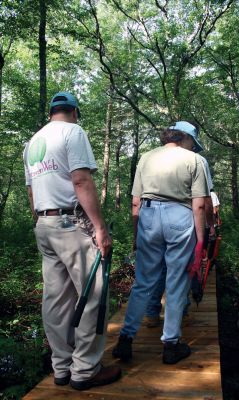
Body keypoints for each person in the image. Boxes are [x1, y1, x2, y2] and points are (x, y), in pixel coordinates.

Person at [23, 92, 121, 391]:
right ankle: (85, 370)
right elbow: (81, 180)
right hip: (72, 223)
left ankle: (62, 367)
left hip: (44, 223)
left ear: (52, 111)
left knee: (56, 299)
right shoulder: (73, 132)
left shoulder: (32, 143)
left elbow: (31, 192)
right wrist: (100, 227)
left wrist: (41, 220)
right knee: (93, 294)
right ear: (74, 111)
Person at [112, 121, 209, 364]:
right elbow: (198, 204)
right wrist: (200, 240)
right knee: (176, 282)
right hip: (180, 216)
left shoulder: (146, 157)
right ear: (185, 139)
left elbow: (135, 201)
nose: (193, 147)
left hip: (148, 215)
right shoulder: (193, 160)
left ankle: (125, 339)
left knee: (144, 282)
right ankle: (171, 344)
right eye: (192, 143)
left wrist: (137, 234)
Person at [144, 152, 215, 327]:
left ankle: (152, 312)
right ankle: (180, 311)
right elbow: (204, 200)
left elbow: (139, 200)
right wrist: (210, 225)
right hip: (184, 223)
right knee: (182, 268)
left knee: (160, 268)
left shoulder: (157, 158)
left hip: (155, 221)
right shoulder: (198, 162)